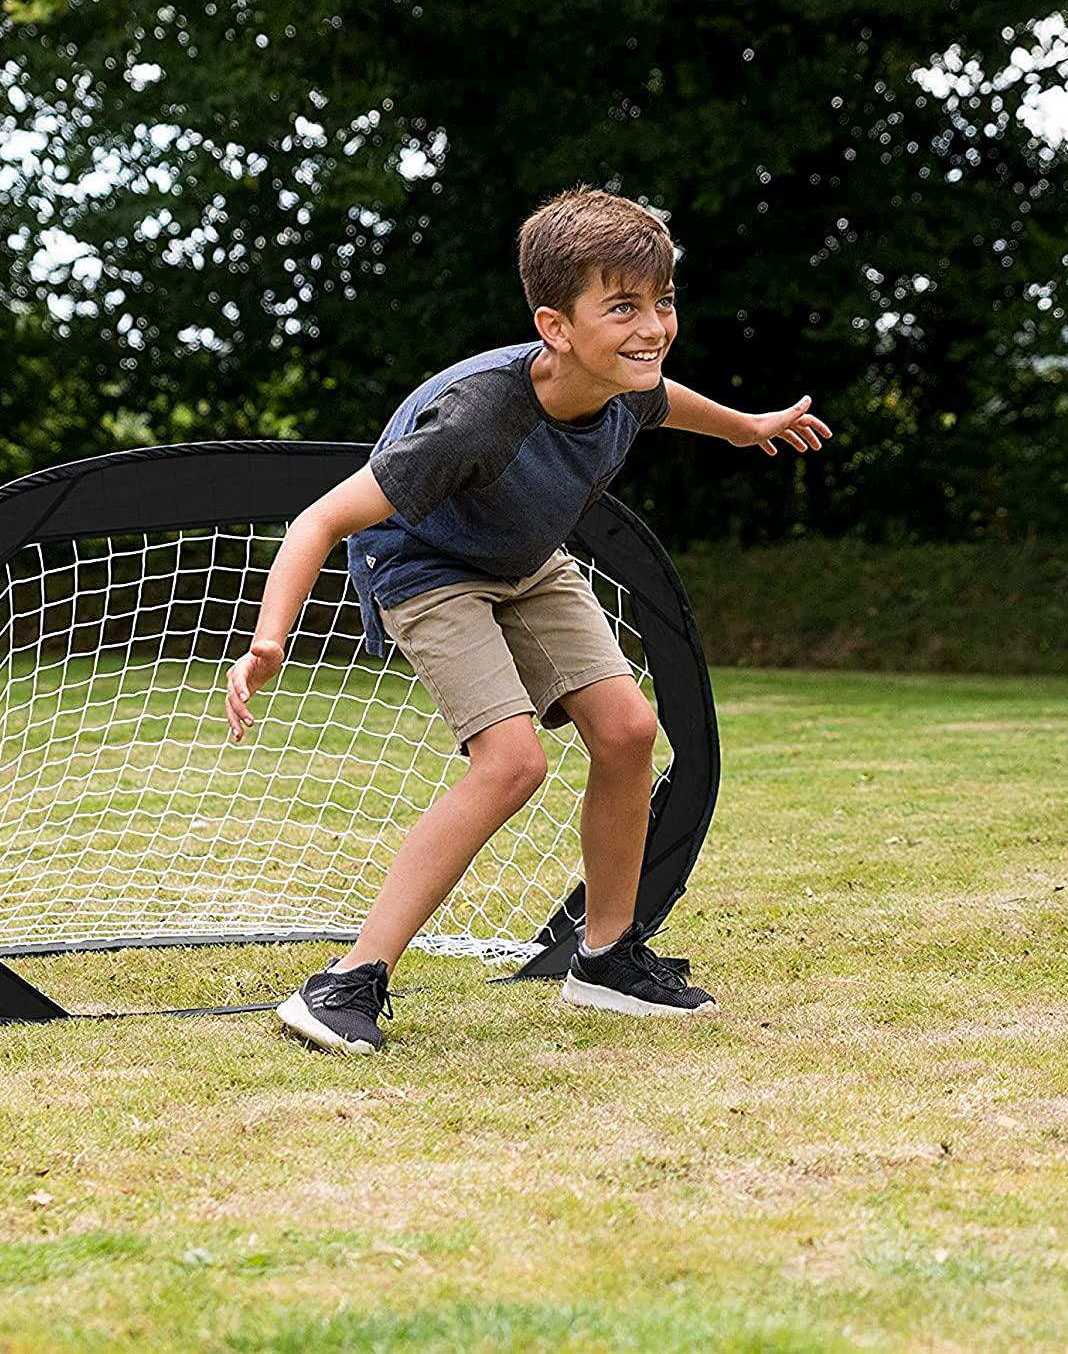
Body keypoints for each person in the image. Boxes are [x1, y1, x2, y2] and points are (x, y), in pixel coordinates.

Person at [224, 186, 831, 1054]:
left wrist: (745, 428)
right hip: (425, 568)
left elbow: (668, 402)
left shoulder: (625, 384)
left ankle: (606, 958)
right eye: (622, 307)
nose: (652, 326)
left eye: (663, 302)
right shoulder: (476, 416)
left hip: (527, 563)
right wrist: (268, 640)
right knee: (512, 764)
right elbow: (319, 520)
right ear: (556, 326)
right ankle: (343, 984)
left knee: (627, 729)